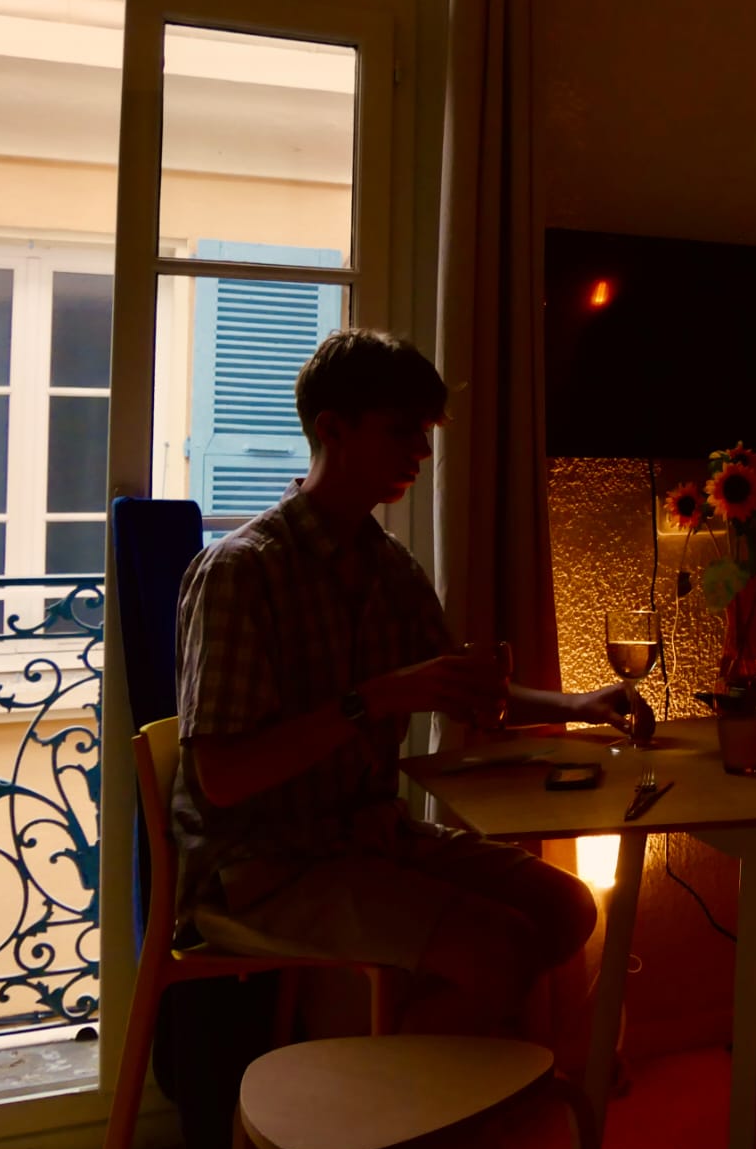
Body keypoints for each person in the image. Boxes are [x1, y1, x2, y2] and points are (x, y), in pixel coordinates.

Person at [173, 328, 650, 1039]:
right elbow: (224, 776)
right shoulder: (242, 571)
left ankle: (401, 1084)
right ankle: (387, 1113)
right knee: (501, 947)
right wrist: (380, 696)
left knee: (568, 907)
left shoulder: (386, 562)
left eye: (425, 434)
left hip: (368, 836)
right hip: (260, 866)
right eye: (403, 432)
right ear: (331, 428)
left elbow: (451, 683)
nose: (423, 454)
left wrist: (575, 703)